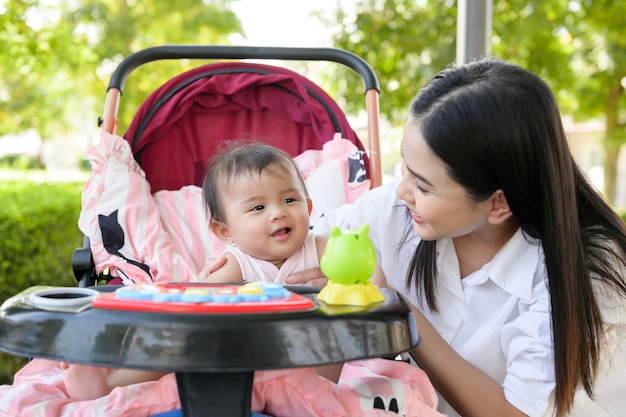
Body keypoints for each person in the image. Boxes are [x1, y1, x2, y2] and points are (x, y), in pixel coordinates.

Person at [286, 57, 626, 417]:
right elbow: (288, 253)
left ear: (498, 205)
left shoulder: (587, 276)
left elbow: (517, 414)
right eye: (405, 167)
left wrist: (395, 311)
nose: (402, 191)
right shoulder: (394, 213)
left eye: (424, 185)